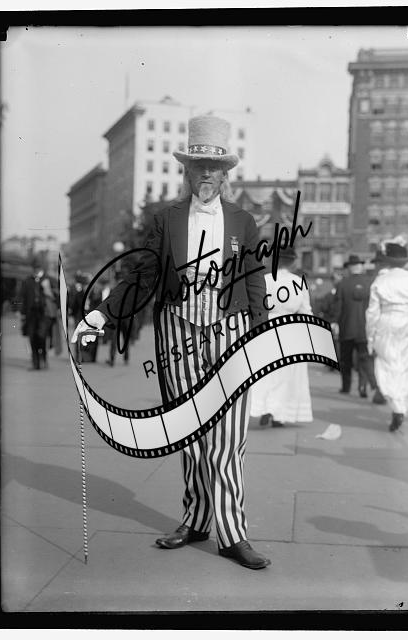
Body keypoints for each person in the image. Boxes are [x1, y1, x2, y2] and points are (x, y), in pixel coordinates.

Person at [71, 115, 271, 570]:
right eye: (198, 166)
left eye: (213, 167)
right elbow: (141, 276)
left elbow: (255, 279)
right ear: (186, 170)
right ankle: (197, 519)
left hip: (231, 330)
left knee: (228, 437)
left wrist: (259, 330)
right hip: (177, 326)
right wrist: (100, 314)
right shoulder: (166, 219)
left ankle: (233, 534)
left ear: (226, 173)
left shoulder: (244, 221)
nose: (206, 174)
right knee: (189, 431)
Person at [250, 247, 313, 427]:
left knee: (266, 371)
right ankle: (279, 413)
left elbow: (255, 307)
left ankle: (265, 407)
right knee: (286, 373)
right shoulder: (298, 282)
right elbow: (306, 311)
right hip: (290, 328)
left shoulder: (265, 280)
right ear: (292, 262)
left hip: (267, 325)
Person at [366, 238, 408, 432]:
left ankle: (396, 405)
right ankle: (402, 406)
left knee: (387, 364)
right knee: (407, 365)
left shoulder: (381, 281)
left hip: (387, 322)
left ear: (387, 260)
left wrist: (371, 337)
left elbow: (372, 313)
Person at [334, 254, 384, 402]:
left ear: (349, 268)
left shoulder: (342, 284)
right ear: (361, 266)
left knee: (346, 360)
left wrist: (335, 323)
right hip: (365, 328)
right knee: (364, 359)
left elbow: (338, 307)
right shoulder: (370, 283)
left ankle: (346, 386)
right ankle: (363, 387)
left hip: (347, 327)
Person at [20, 257, 53, 370]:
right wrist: (21, 312)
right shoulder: (27, 281)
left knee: (41, 336)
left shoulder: (49, 280)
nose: (36, 270)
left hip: (44, 314)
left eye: (38, 267)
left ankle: (43, 359)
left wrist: (48, 290)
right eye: (34, 268)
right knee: (32, 337)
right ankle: (35, 363)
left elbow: (56, 296)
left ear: (41, 268)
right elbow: (22, 298)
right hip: (31, 314)